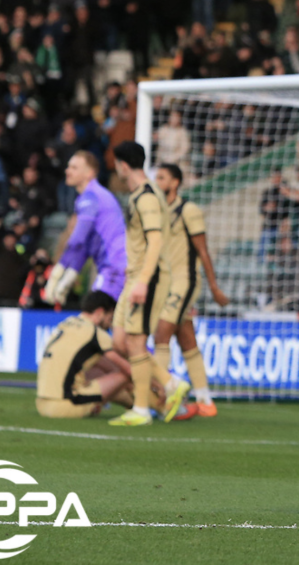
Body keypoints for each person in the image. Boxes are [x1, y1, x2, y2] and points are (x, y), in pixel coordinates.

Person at [108, 141, 189, 427]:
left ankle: (141, 409)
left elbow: (155, 241)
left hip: (148, 276)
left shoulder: (145, 196)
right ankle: (169, 382)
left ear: (123, 165)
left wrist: (143, 281)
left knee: (136, 340)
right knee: (120, 340)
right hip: (136, 276)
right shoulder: (143, 194)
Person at [152, 163, 230, 419]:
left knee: (161, 334)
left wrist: (214, 287)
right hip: (166, 282)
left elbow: (203, 251)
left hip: (185, 281)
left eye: (161, 177)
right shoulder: (160, 211)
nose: (157, 181)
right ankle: (205, 400)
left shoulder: (189, 210)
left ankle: (160, 397)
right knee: (186, 338)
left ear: (174, 183)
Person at [43, 151, 127, 306]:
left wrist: (57, 275)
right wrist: (67, 278)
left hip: (114, 268)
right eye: (68, 166)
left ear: (89, 173)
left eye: (74, 167)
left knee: (95, 314)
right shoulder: (91, 196)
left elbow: (78, 239)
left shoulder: (90, 197)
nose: (67, 171)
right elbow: (85, 245)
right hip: (114, 267)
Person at [36, 291, 138, 418]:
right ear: (100, 312)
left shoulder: (66, 324)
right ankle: (142, 406)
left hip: (41, 404)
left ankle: (135, 404)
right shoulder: (95, 333)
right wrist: (159, 387)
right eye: (110, 318)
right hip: (66, 405)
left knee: (95, 368)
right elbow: (129, 370)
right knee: (126, 373)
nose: (110, 324)